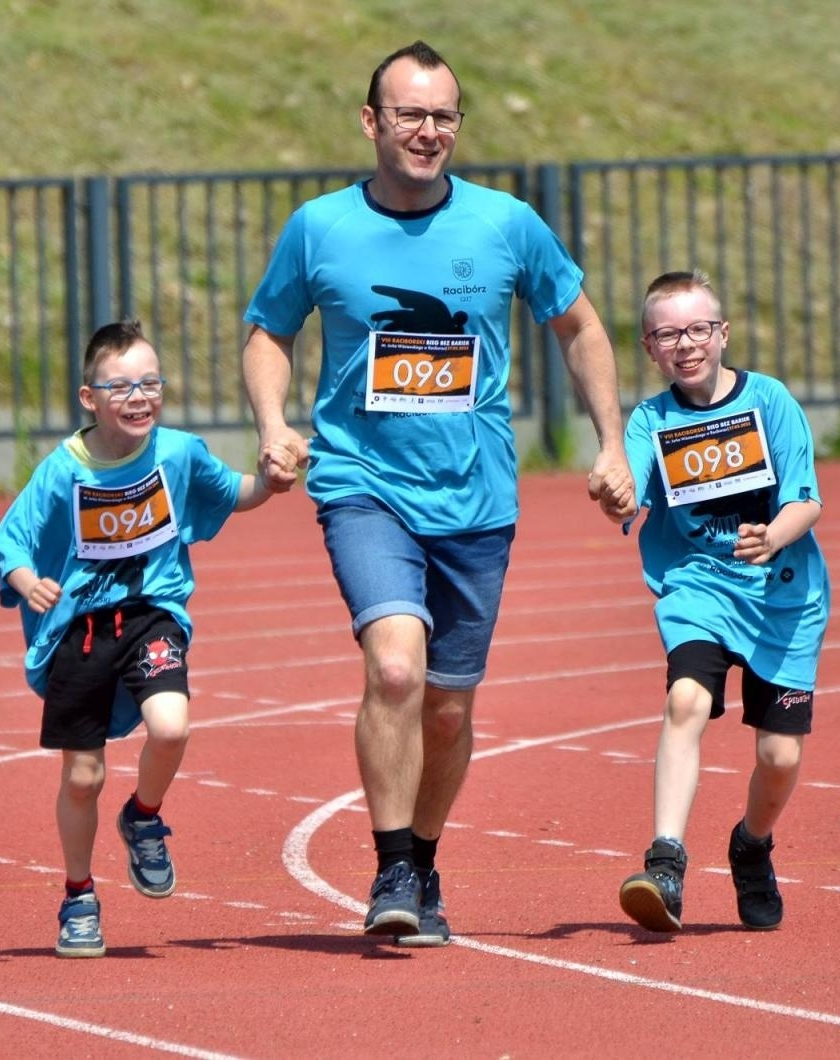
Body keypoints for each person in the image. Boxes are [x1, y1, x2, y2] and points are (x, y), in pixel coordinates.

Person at [241, 39, 635, 947]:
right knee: (395, 670)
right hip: (361, 483)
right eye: (411, 114)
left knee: (450, 705)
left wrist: (612, 443)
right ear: (371, 121)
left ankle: (423, 856)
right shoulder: (320, 227)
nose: (428, 131)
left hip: (477, 498)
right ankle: (388, 867)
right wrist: (273, 426)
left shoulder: (507, 225)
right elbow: (269, 331)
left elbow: (579, 326)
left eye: (444, 116)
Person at [0, 318, 283, 958]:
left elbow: (233, 492)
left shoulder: (177, 453)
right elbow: (10, 537)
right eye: (121, 386)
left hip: (152, 616)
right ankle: (78, 897)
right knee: (82, 777)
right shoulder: (60, 472)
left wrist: (272, 479)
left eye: (151, 383)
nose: (139, 397)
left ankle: (143, 817)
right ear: (88, 397)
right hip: (79, 632)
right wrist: (25, 579)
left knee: (172, 726)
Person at [616, 270, 830, 933]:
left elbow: (807, 498)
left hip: (783, 600)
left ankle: (752, 845)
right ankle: (666, 862)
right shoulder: (650, 421)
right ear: (651, 347)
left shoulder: (769, 401)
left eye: (697, 329)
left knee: (780, 757)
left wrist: (775, 536)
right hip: (698, 587)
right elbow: (628, 485)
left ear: (722, 333)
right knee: (686, 701)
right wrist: (615, 493)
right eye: (668, 334)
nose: (686, 344)